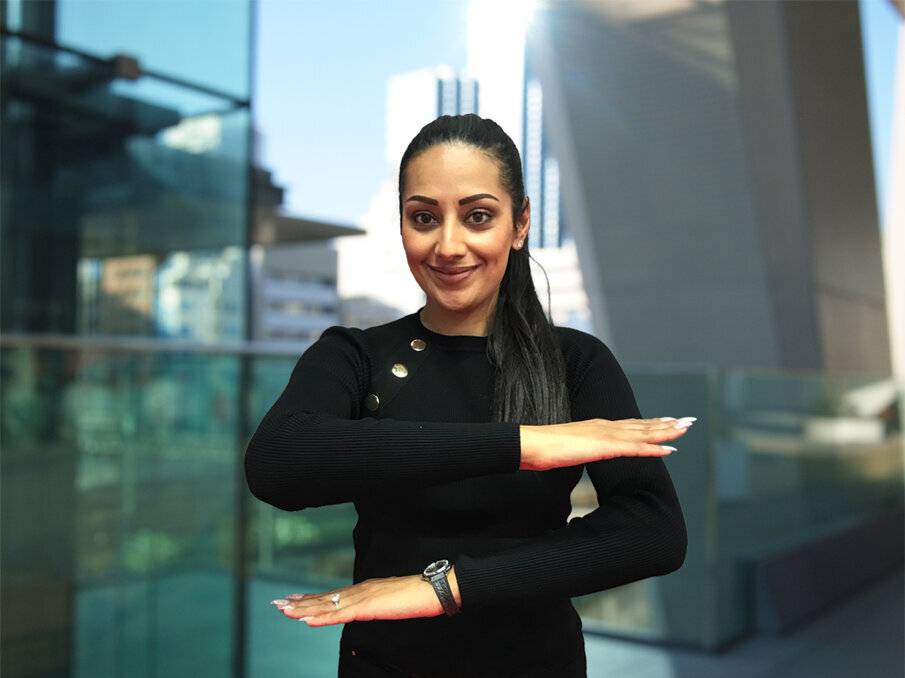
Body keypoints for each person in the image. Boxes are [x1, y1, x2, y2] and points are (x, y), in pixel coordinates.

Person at [245, 114, 690, 677]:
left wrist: (441, 588)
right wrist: (522, 446)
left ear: (520, 222)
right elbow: (276, 462)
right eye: (424, 218)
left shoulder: (575, 361)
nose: (448, 245)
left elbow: (654, 533)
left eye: (478, 216)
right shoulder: (357, 354)